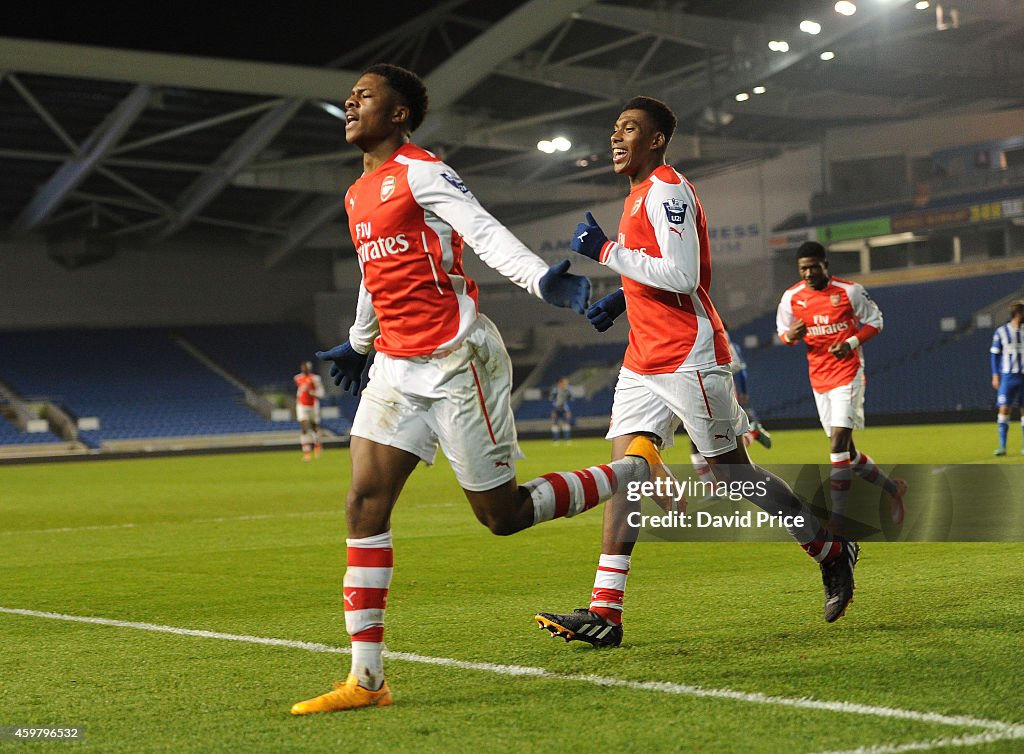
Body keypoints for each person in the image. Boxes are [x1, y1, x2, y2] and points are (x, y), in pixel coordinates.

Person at [290, 64, 665, 714]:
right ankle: (367, 682)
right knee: (363, 506)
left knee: (504, 517)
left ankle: (631, 469)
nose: (350, 102)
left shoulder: (423, 171)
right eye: (349, 95)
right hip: (396, 367)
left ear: (400, 114)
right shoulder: (358, 192)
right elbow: (372, 275)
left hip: (456, 357)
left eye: (366, 96)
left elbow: (482, 231)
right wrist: (357, 341)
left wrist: (539, 281)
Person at [533, 96, 860, 649]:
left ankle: (829, 547)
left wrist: (605, 251)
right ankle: (605, 612)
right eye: (614, 129)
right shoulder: (638, 194)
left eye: (630, 129)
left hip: (688, 355)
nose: (616, 138)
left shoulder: (665, 189)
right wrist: (622, 300)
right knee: (625, 475)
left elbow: (682, 276)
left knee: (735, 475)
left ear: (656, 140)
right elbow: (654, 269)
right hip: (642, 358)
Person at [777, 241, 907, 533]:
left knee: (837, 444)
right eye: (803, 268)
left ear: (825, 264)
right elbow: (783, 333)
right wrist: (790, 336)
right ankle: (893, 489)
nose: (808, 273)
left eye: (813, 266)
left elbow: (876, 321)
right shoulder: (791, 298)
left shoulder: (849, 291)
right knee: (847, 452)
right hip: (818, 378)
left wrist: (850, 343)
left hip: (848, 373)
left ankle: (837, 519)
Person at [991, 300, 1024, 456]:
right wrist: (995, 375)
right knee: (1004, 408)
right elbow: (994, 355)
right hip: (1008, 376)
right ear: (1019, 314)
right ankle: (1002, 447)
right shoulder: (1001, 332)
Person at [294, 361, 325, 460]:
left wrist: (311, 392)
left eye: (306, 367)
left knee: (314, 427)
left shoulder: (315, 379)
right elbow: (300, 391)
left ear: (309, 368)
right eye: (303, 367)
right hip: (302, 405)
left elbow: (321, 393)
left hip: (313, 405)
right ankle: (306, 452)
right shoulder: (298, 378)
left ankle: (317, 446)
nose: (304, 369)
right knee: (304, 427)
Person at [549, 376, 573, 442]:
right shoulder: (555, 390)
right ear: (560, 383)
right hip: (556, 409)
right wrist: (553, 410)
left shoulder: (568, 391)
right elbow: (551, 400)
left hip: (564, 409)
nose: (566, 384)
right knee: (555, 425)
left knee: (566, 424)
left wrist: (568, 410)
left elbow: (569, 401)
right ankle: (555, 440)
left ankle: (567, 439)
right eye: (564, 382)